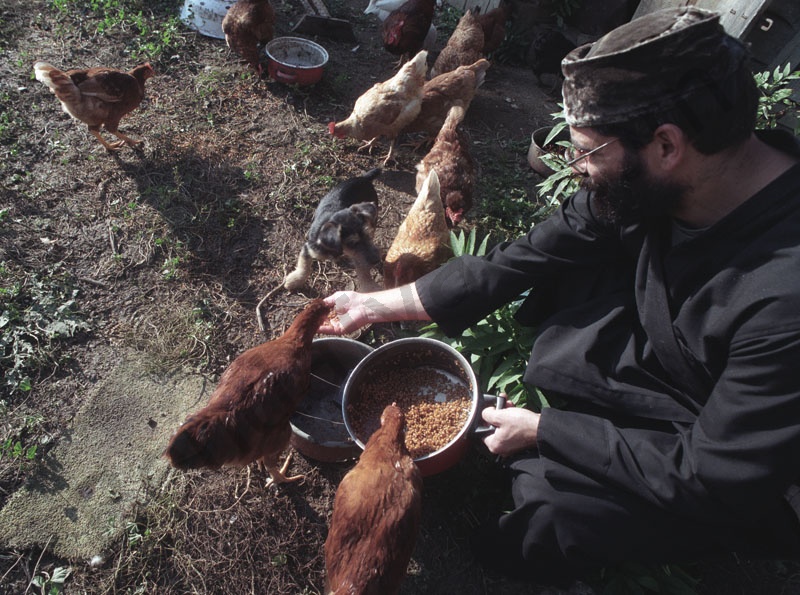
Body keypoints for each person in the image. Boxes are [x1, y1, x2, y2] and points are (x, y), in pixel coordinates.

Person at [318, 6, 800, 585]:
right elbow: (525, 257)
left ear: (667, 145)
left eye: (589, 153)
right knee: (567, 306)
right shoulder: (674, 179)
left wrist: (546, 431)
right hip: (678, 356)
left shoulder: (782, 300)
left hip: (736, 459)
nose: (577, 170)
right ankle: (575, 432)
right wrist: (376, 304)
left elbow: (713, 472)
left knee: (549, 519)